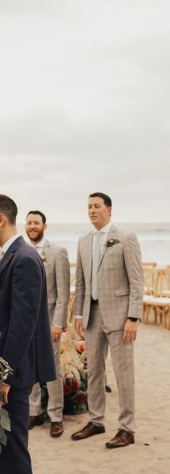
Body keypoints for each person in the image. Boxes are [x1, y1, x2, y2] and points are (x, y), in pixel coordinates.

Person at [0, 194, 55, 474]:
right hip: (2, 371)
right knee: (6, 445)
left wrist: (4, 377)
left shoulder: (22, 258)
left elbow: (24, 323)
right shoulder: (7, 255)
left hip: (12, 375)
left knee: (14, 448)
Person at [71, 192, 143, 448]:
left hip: (120, 316)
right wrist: (78, 313)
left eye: (96, 206)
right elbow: (80, 282)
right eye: (88, 206)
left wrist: (133, 317)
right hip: (91, 316)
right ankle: (96, 421)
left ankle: (127, 428)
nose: (91, 211)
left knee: (124, 374)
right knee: (94, 373)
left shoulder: (125, 237)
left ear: (109, 210)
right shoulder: (83, 241)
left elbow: (137, 281)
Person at [26, 210, 70, 438]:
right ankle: (35, 411)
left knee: (53, 369)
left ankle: (55, 415)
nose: (33, 226)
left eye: (36, 222)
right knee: (30, 366)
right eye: (29, 222)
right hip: (27, 323)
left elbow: (63, 293)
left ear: (45, 225)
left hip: (50, 321)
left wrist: (58, 323)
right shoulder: (22, 251)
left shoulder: (58, 252)